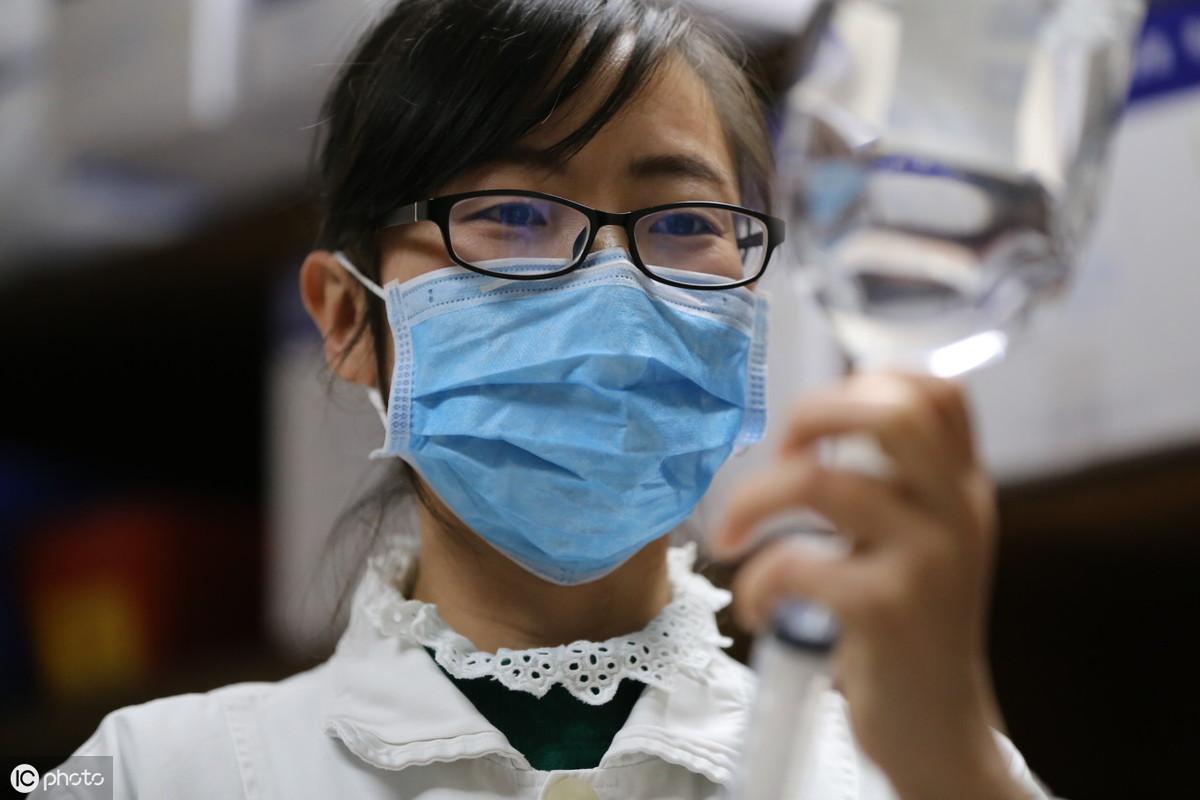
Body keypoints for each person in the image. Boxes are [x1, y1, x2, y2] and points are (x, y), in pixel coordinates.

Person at [60, 1, 1052, 798]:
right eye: (512, 214)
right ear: (348, 316)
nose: (614, 290)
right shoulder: (151, 772)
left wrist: (956, 767)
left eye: (684, 221)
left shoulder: (916, 774)